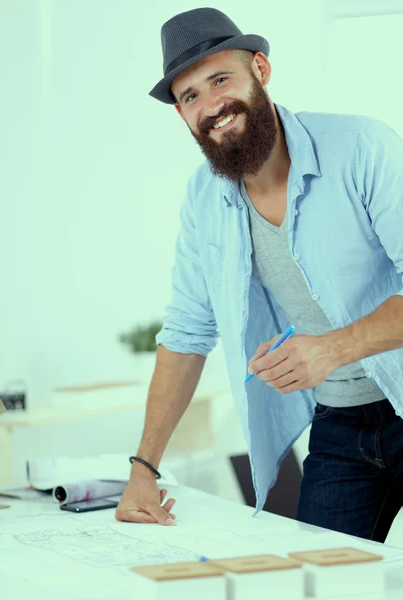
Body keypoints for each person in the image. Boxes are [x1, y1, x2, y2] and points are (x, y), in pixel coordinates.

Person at [115, 7, 403, 542]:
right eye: (190, 96)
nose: (211, 106)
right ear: (181, 116)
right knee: (318, 581)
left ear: (261, 71)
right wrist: (142, 472)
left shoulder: (362, 147)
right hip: (342, 424)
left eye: (220, 79)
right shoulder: (204, 199)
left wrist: (333, 348)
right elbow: (186, 332)